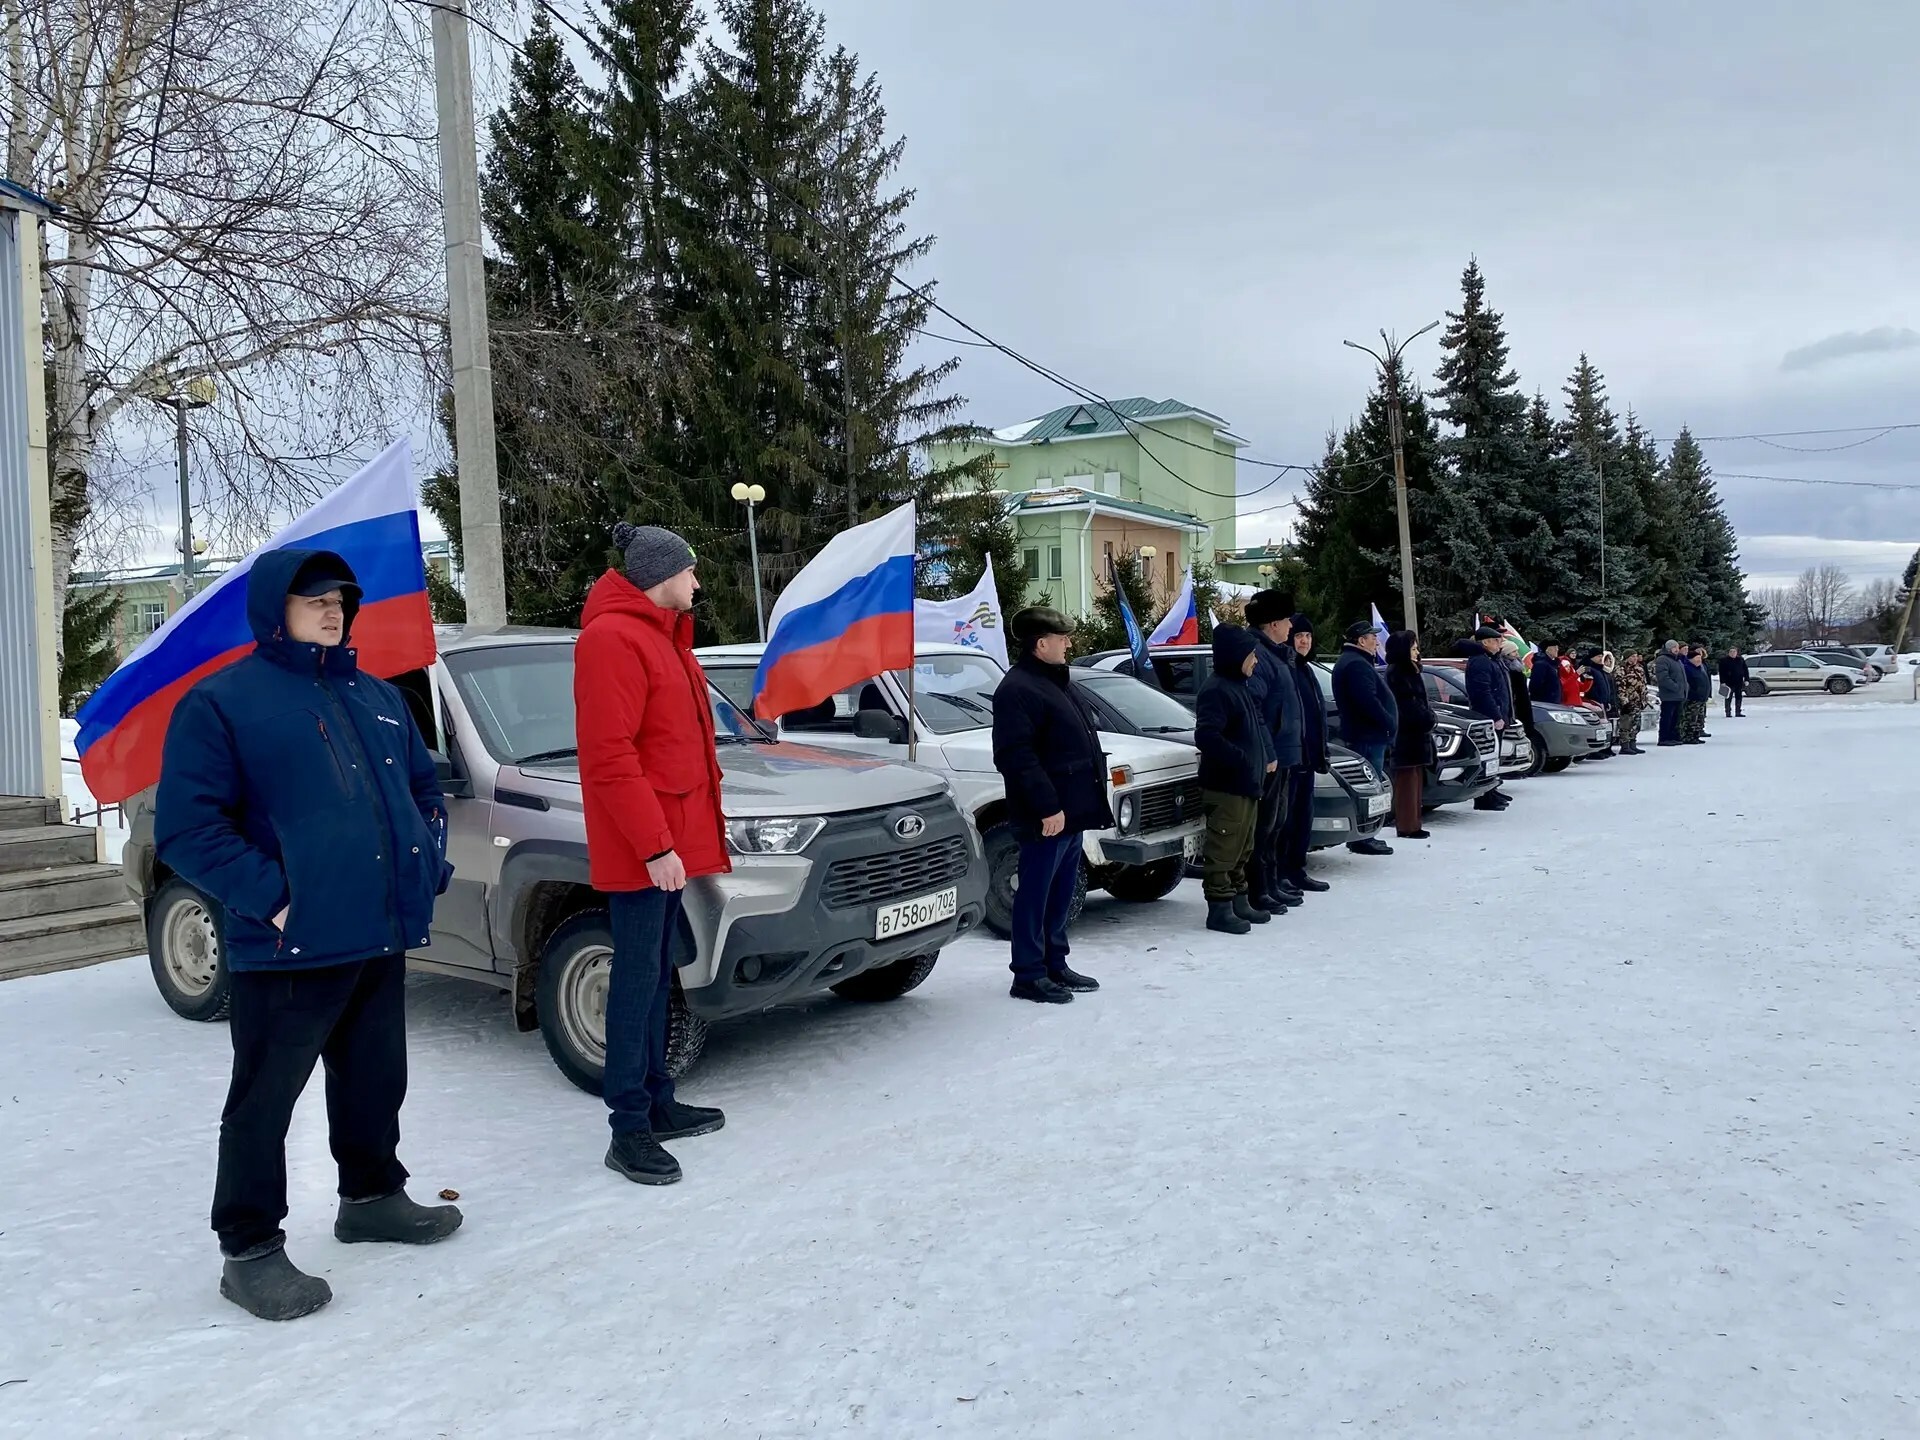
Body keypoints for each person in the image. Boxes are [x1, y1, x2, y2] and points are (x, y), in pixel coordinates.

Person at [154, 549, 460, 1323]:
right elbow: (188, 831)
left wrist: (426, 860)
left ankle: (372, 1197)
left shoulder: (377, 695)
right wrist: (279, 901)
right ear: (273, 609)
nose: (333, 608)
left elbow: (424, 790)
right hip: (287, 946)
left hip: (378, 929)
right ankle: (249, 1248)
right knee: (264, 1101)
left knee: (374, 1078)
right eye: (313, 597)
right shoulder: (223, 703)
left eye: (341, 598)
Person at [576, 522, 730, 1186]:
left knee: (657, 977)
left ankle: (658, 1101)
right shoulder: (612, 638)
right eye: (690, 570)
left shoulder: (664, 638)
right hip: (645, 852)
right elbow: (609, 756)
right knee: (635, 984)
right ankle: (628, 1127)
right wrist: (656, 846)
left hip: (666, 848)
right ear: (662, 575)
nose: (697, 581)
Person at [991, 607, 1113, 1002]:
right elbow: (1015, 756)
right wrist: (1046, 807)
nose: (1068, 644)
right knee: (1035, 895)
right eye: (1062, 639)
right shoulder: (1018, 689)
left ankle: (1054, 963)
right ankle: (1028, 974)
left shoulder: (1056, 681)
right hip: (1047, 815)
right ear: (1041, 644)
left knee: (1060, 893)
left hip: (1070, 812)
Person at [1193, 624, 1275, 934]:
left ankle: (1239, 901)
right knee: (1224, 849)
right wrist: (1241, 759)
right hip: (1226, 786)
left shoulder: (1239, 686)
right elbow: (1207, 736)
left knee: (1243, 847)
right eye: (1251, 655)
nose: (1256, 660)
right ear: (1236, 656)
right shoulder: (1217, 690)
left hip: (1245, 785)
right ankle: (1219, 909)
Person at [1243, 590, 1305, 913]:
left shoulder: (1278, 654)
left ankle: (1273, 881)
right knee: (1264, 826)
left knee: (1277, 823)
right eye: (1287, 620)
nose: (1292, 627)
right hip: (1271, 758)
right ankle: (1259, 889)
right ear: (1273, 624)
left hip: (1284, 753)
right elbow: (1255, 709)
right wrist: (1268, 751)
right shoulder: (1259, 655)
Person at [1330, 620, 1398, 856]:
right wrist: (1388, 720)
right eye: (1372, 637)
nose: (1376, 641)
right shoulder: (1356, 664)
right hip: (1367, 736)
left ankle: (1366, 835)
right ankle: (1364, 837)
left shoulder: (1354, 661)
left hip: (1365, 734)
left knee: (1370, 786)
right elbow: (1367, 701)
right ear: (1361, 640)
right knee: (1369, 787)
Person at [1280, 616, 1332, 892]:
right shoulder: (1286, 669)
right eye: (1299, 635)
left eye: (1308, 636)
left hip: (1309, 757)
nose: (1304, 641)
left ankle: (1297, 869)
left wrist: (1321, 750)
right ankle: (1281, 873)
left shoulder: (1305, 669)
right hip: (1291, 758)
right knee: (1286, 820)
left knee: (1303, 818)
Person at [1383, 631, 1434, 839]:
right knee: (1407, 782)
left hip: (1415, 735)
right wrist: (1427, 718)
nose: (1417, 652)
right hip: (1406, 735)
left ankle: (1413, 823)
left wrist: (1427, 717)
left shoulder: (1410, 670)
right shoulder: (1399, 672)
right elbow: (1408, 706)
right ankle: (1407, 826)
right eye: (1413, 649)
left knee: (1415, 779)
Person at [1459, 625, 1514, 810]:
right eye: (1497, 641)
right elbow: (1483, 692)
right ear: (1486, 642)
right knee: (1487, 757)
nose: (1500, 644)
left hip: (1497, 714)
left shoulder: (1491, 659)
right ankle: (1484, 797)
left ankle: (1492, 790)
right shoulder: (1480, 661)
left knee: (1493, 758)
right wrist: (1496, 715)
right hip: (1487, 717)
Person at [1583, 648, 1619, 756]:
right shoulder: (1589, 669)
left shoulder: (1600, 669)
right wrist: (1597, 698)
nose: (1601, 658)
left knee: (1606, 726)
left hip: (1603, 702)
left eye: (1601, 656)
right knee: (1597, 727)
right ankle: (1596, 750)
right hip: (1594, 702)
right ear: (1592, 657)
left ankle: (1606, 748)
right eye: (1598, 656)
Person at [1654, 640, 1688, 746]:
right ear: (1669, 648)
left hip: (1678, 695)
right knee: (1667, 717)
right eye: (1674, 647)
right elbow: (1663, 678)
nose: (1677, 649)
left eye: (1677, 647)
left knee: (1675, 718)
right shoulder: (1663, 659)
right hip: (1669, 695)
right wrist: (1676, 687)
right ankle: (1664, 738)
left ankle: (1673, 736)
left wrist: (1685, 687)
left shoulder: (1677, 660)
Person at [1615, 650, 1649, 755]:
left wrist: (1644, 699)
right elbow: (1620, 686)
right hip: (1628, 702)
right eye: (1632, 656)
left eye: (1636, 656)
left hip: (1638, 701)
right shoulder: (1621, 669)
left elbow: (1643, 684)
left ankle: (1632, 743)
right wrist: (1624, 701)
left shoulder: (1639, 668)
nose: (1635, 658)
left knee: (1636, 724)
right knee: (1626, 723)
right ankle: (1625, 745)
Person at [1719, 645, 1749, 718]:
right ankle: (1728, 712)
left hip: (1739, 682)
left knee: (1738, 697)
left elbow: (1745, 670)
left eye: (1734, 651)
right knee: (1728, 697)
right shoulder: (1724, 660)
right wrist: (1722, 682)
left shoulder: (1740, 660)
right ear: (1729, 652)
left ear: (1737, 652)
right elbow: (1721, 672)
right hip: (1728, 682)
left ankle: (1738, 711)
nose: (1732, 653)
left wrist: (1747, 679)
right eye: (1731, 651)